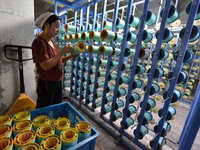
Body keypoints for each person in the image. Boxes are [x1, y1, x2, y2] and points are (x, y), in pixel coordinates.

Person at [32, 12, 78, 108]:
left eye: (59, 27)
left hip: (57, 82)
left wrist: (70, 56)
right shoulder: (39, 43)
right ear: (46, 25)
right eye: (56, 26)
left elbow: (57, 60)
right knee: (44, 111)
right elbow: (45, 66)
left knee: (56, 108)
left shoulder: (53, 42)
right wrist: (62, 52)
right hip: (47, 85)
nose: (58, 30)